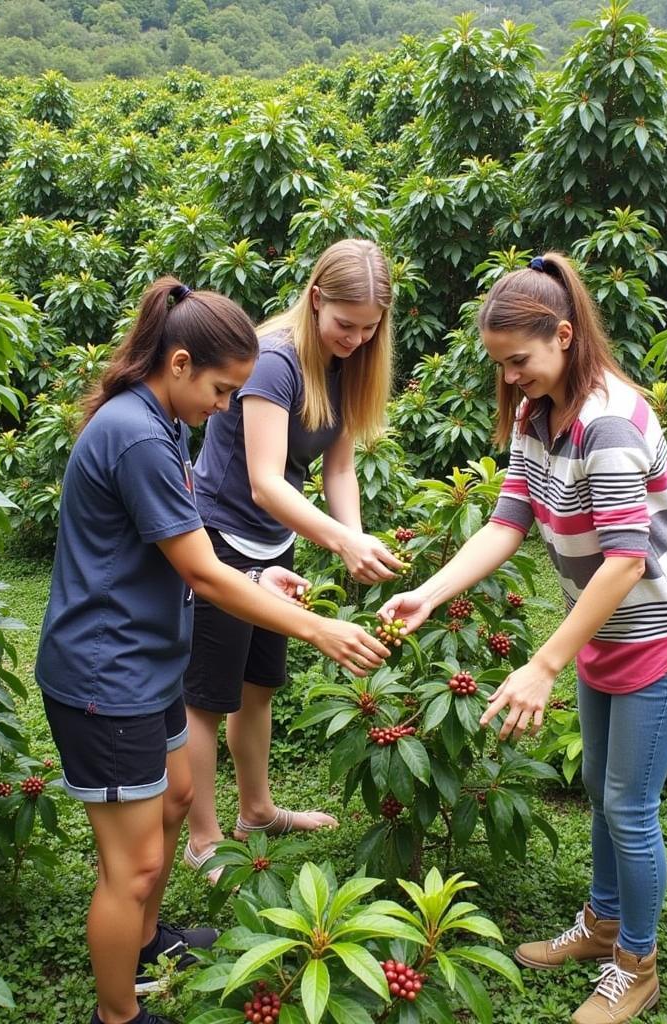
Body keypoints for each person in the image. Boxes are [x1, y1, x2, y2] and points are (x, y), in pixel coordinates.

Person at [34, 277, 390, 1024]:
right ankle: (117, 1014)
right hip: (107, 678)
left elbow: (180, 551)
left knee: (178, 801)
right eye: (223, 391)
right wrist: (320, 629)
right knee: (129, 872)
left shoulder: (165, 421)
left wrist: (258, 572)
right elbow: (200, 570)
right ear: (181, 362)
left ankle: (148, 943)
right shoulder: (135, 434)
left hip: (147, 661)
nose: (228, 408)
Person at [379, 253, 667, 1024]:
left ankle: (638, 962)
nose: (510, 379)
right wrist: (427, 595)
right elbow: (508, 523)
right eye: (500, 365)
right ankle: (602, 926)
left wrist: (543, 662)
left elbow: (628, 561)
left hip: (662, 634)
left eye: (519, 361)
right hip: (605, 634)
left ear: (564, 336)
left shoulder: (608, 421)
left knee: (629, 805)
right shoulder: (538, 416)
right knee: (601, 790)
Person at [182, 239, 402, 877]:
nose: (357, 339)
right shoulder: (276, 360)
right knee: (206, 696)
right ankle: (203, 840)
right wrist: (340, 540)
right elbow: (265, 482)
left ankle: (257, 810)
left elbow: (338, 467)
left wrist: (355, 536)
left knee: (258, 690)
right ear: (315, 299)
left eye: (370, 328)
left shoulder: (347, 365)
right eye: (345, 324)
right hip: (220, 540)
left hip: (273, 545)